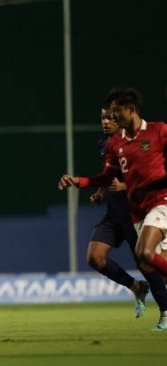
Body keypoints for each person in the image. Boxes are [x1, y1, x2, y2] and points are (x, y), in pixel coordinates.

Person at [59, 88, 167, 330]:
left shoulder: (155, 132)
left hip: (149, 206)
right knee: (97, 257)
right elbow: (108, 176)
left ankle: (164, 312)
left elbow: (146, 173)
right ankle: (136, 287)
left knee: (146, 259)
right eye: (105, 117)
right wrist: (88, 185)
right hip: (120, 212)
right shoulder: (112, 144)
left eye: (113, 115)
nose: (109, 120)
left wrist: (128, 185)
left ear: (129, 112)